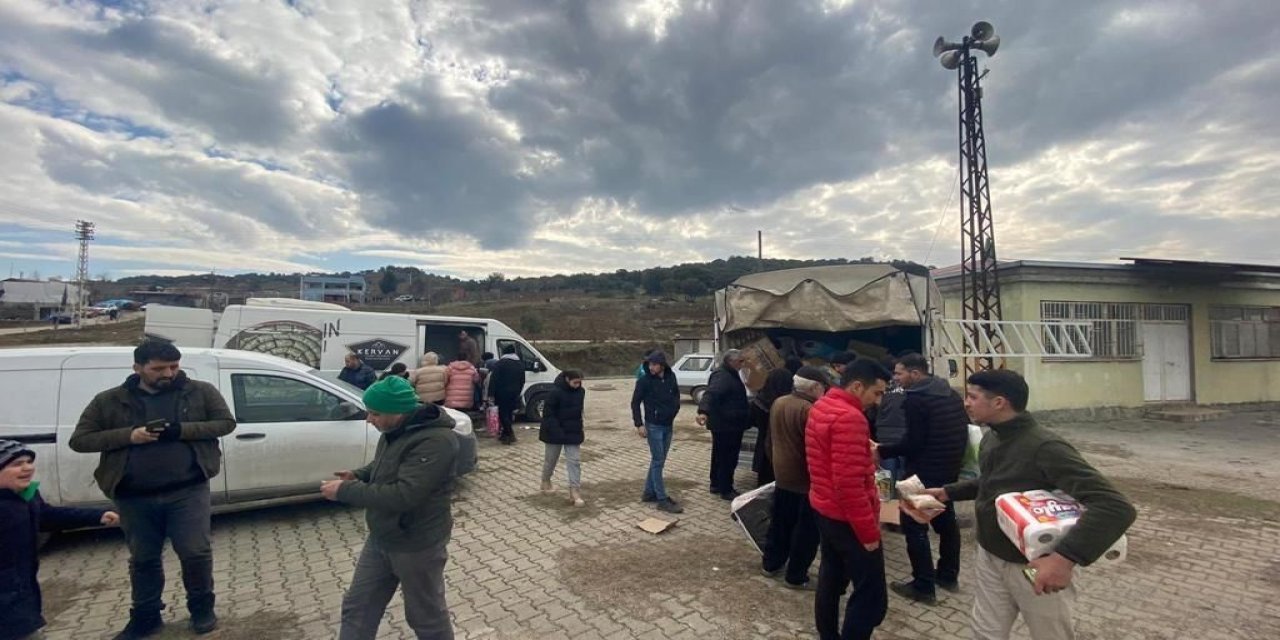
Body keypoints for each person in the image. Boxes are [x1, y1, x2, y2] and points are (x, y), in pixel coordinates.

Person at [921, 370, 1136, 640]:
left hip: (1035, 565)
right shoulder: (992, 437)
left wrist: (1063, 560)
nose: (965, 402)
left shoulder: (1045, 447)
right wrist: (946, 493)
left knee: (1050, 635)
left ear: (999, 403)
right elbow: (991, 482)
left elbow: (1115, 506)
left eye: (972, 397)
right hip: (990, 554)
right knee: (985, 632)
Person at [68, 339, 237, 639]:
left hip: (187, 489)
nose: (169, 374)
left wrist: (181, 431)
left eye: (174, 367)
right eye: (159, 369)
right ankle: (145, 615)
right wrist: (129, 436)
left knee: (195, 552)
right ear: (138, 368)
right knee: (143, 558)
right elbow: (80, 440)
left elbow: (225, 423)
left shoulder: (199, 392)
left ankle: (201, 607)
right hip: (133, 494)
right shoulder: (109, 400)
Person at [322, 376, 459, 640]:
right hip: (381, 537)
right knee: (357, 607)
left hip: (416, 544)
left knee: (426, 617)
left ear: (398, 412)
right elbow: (386, 466)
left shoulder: (437, 441)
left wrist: (344, 491)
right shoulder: (394, 430)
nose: (368, 420)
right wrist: (359, 475)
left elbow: (404, 495)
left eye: (374, 414)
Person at [806, 359, 891, 640]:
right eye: (876, 393)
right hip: (847, 517)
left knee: (831, 577)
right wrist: (868, 533)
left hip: (824, 506)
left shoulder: (823, 405)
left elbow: (831, 459)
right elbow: (848, 484)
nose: (877, 401)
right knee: (872, 596)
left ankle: (827, 634)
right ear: (857, 385)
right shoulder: (850, 417)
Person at [1, 440, 120, 640]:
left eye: (29, 461)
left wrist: (97, 516)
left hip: (21, 592)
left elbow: (46, 515)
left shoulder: (25, 494)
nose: (27, 468)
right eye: (16, 464)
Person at [874, 352, 968, 604]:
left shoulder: (916, 400)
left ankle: (923, 585)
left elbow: (913, 444)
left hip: (924, 473)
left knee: (915, 526)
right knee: (946, 522)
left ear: (915, 374)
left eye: (899, 373)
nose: (896, 378)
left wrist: (881, 450)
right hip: (948, 471)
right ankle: (948, 575)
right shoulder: (949, 394)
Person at [760, 366, 829, 590]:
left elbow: (770, 441)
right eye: (823, 387)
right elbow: (815, 449)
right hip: (804, 481)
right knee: (806, 531)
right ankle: (796, 576)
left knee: (780, 523)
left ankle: (771, 564)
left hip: (782, 476)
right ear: (815, 387)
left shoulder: (779, 403)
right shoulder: (810, 410)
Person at [630, 351, 683, 514]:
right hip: (653, 426)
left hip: (668, 425)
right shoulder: (644, 381)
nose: (651, 367)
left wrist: (673, 412)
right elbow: (635, 403)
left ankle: (648, 493)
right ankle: (661, 499)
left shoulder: (670, 377)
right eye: (650, 364)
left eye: (654, 364)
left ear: (662, 365)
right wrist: (639, 424)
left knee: (658, 460)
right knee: (658, 461)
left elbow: (676, 397)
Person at [697, 349, 750, 500]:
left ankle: (716, 484)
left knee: (719, 455)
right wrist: (703, 411)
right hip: (727, 425)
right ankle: (726, 489)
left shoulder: (729, 374)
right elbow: (711, 394)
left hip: (725, 423)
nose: (742, 364)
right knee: (728, 457)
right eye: (740, 361)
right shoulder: (723, 376)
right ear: (731, 362)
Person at [539, 370, 587, 507]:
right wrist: (557, 432)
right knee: (551, 460)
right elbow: (548, 415)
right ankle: (545, 480)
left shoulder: (581, 392)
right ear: (567, 379)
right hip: (554, 432)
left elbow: (579, 412)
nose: (577, 385)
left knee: (575, 461)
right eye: (575, 382)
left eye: (579, 382)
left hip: (573, 431)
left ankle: (575, 491)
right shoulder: (554, 393)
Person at [749, 368, 794, 487]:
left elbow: (752, 421)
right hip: (785, 444)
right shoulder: (789, 402)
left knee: (764, 476)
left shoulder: (759, 400)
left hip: (763, 441)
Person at [487, 345, 526, 444]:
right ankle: (505, 435)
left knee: (503, 414)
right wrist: (518, 391)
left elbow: (493, 379)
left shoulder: (500, 363)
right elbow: (522, 380)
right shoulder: (520, 364)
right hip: (514, 393)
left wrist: (490, 393)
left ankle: (510, 434)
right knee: (509, 413)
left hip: (502, 392)